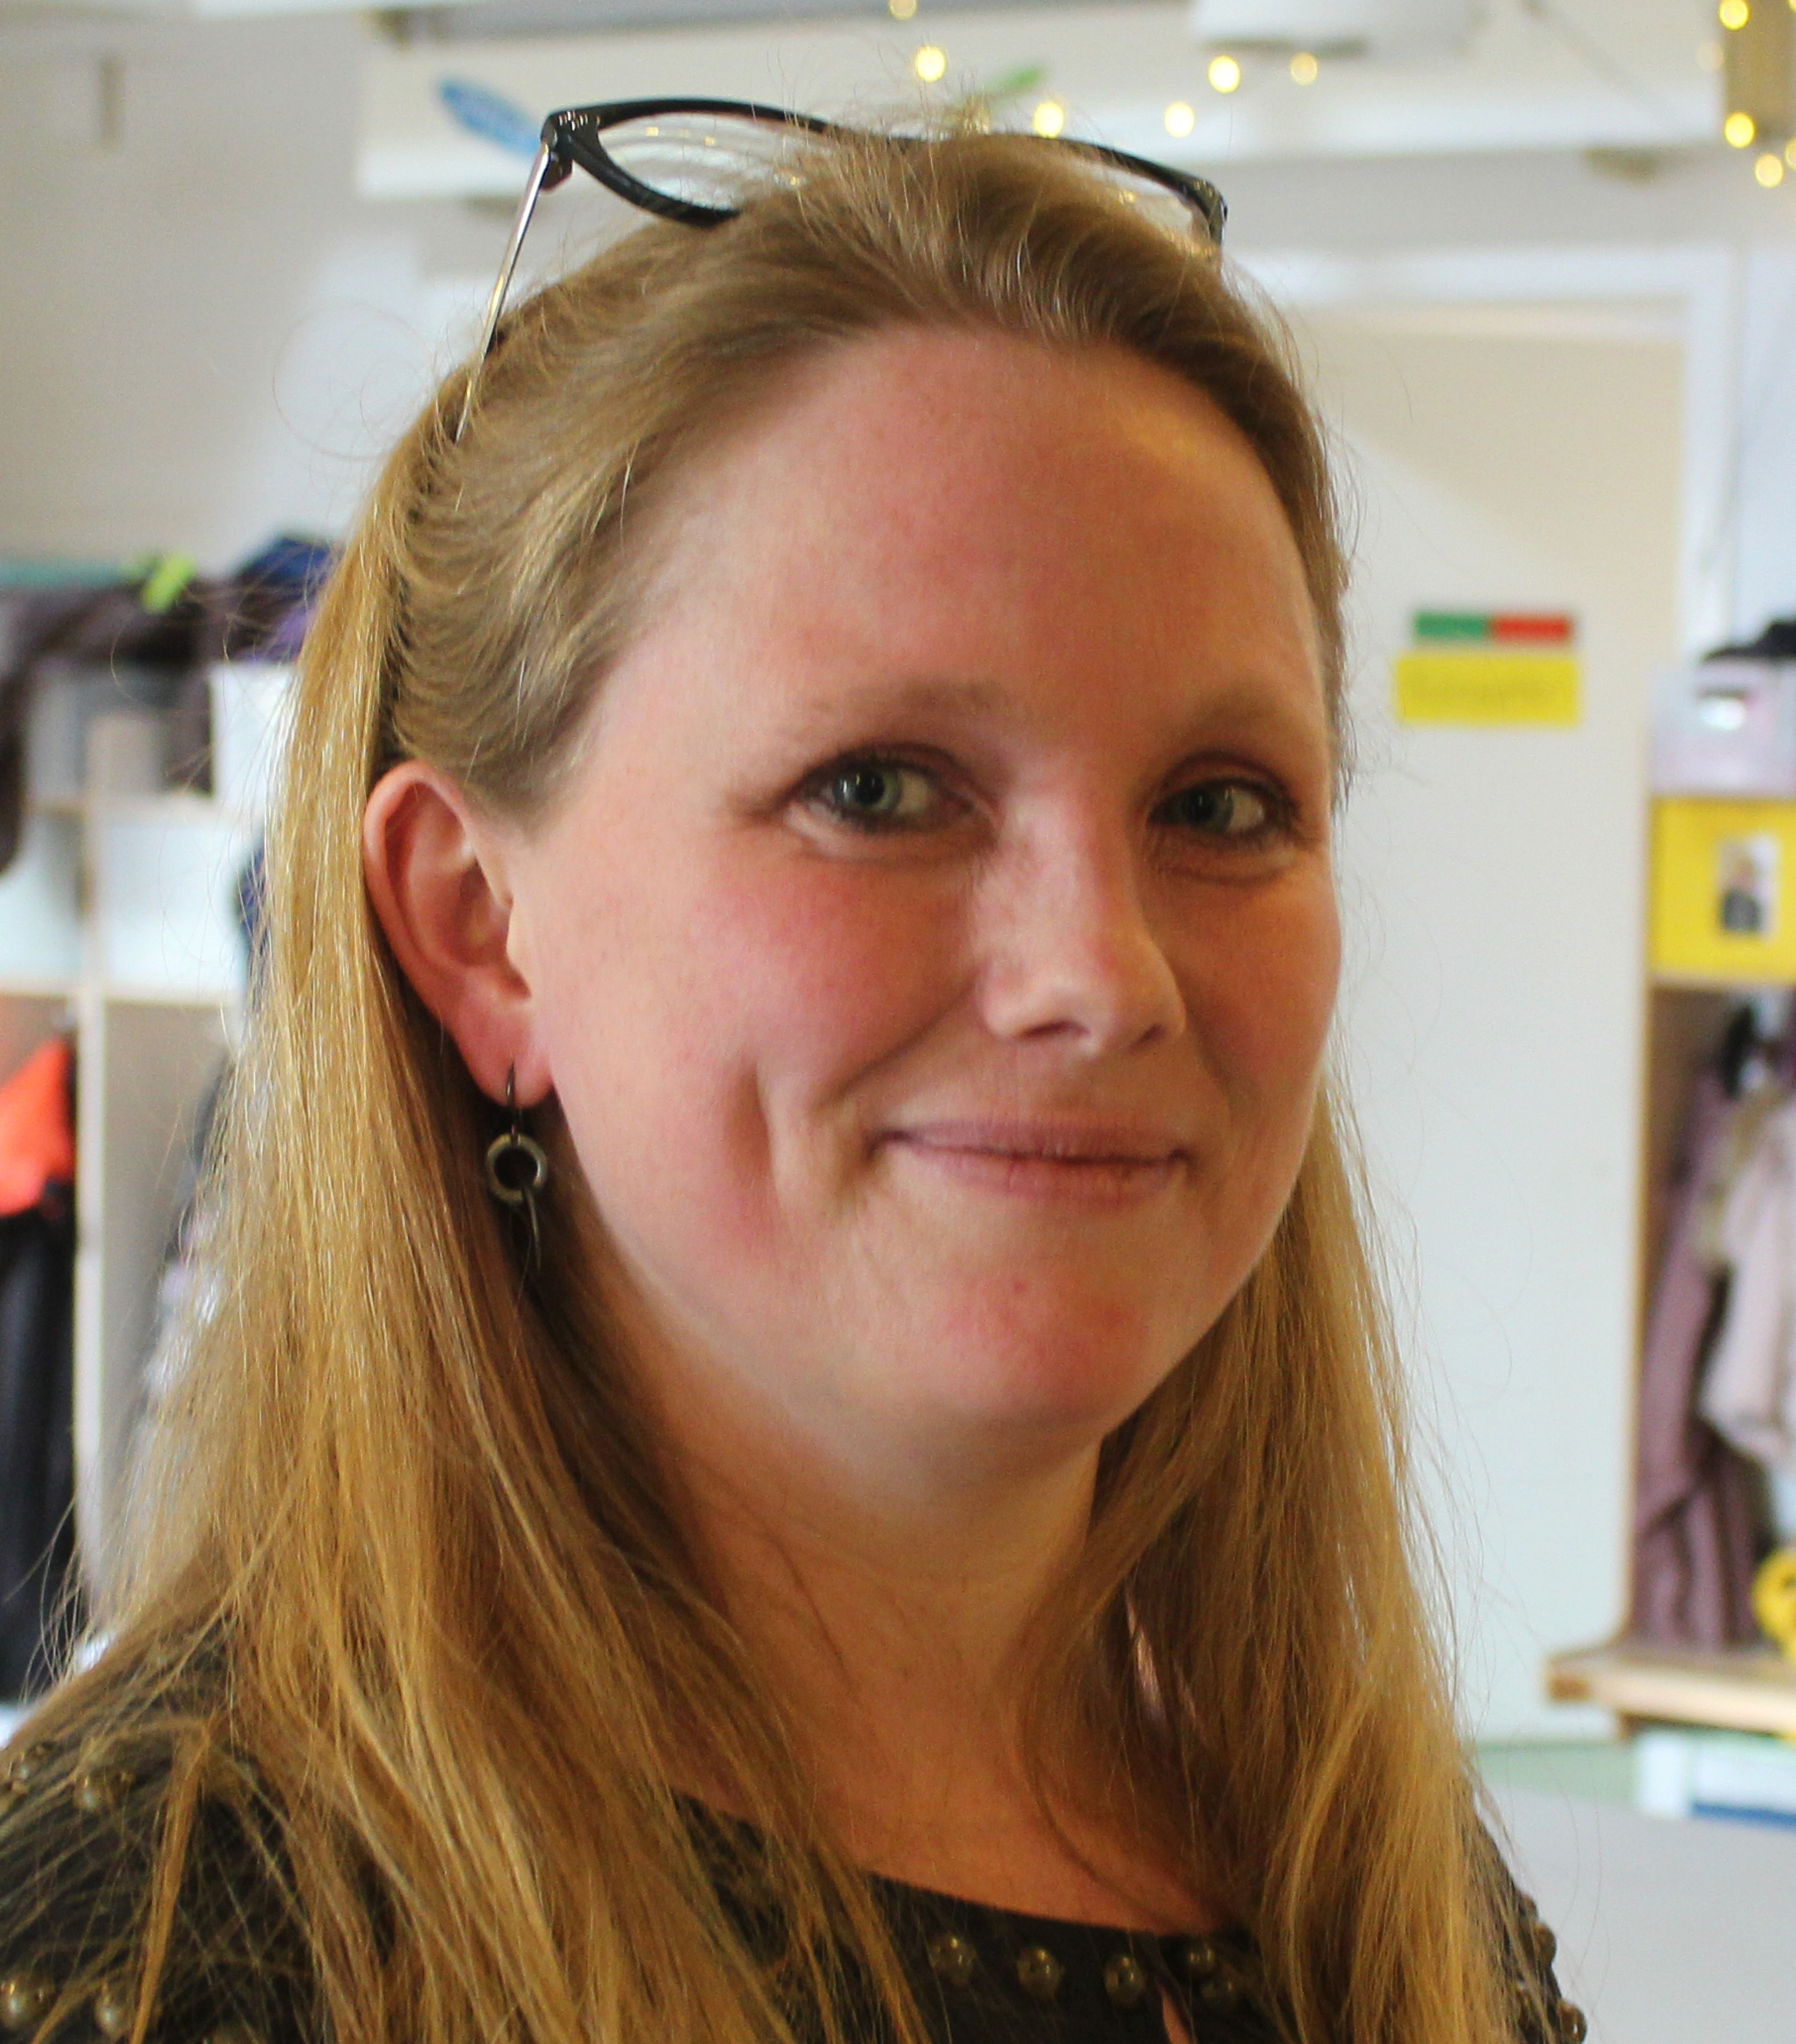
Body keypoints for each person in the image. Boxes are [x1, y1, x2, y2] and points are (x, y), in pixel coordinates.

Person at [0, 119, 1579, 2044]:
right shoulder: (155, 1954)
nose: (1101, 976)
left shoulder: (1369, 1886)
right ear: (482, 929)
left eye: (1221, 806)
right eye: (880, 790)